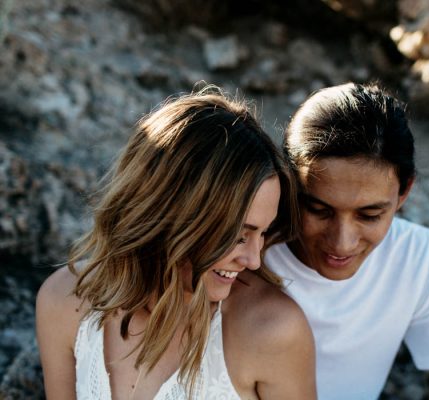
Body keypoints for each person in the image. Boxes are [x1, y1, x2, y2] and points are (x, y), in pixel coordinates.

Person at [35, 88, 317, 400]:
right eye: (238, 235)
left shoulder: (271, 332)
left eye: (262, 233)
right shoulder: (64, 301)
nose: (253, 260)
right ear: (171, 216)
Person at [264, 82, 429, 399]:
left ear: (404, 192)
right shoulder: (245, 251)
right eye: (319, 210)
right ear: (290, 183)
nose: (342, 243)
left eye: (369, 215)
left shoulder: (419, 261)